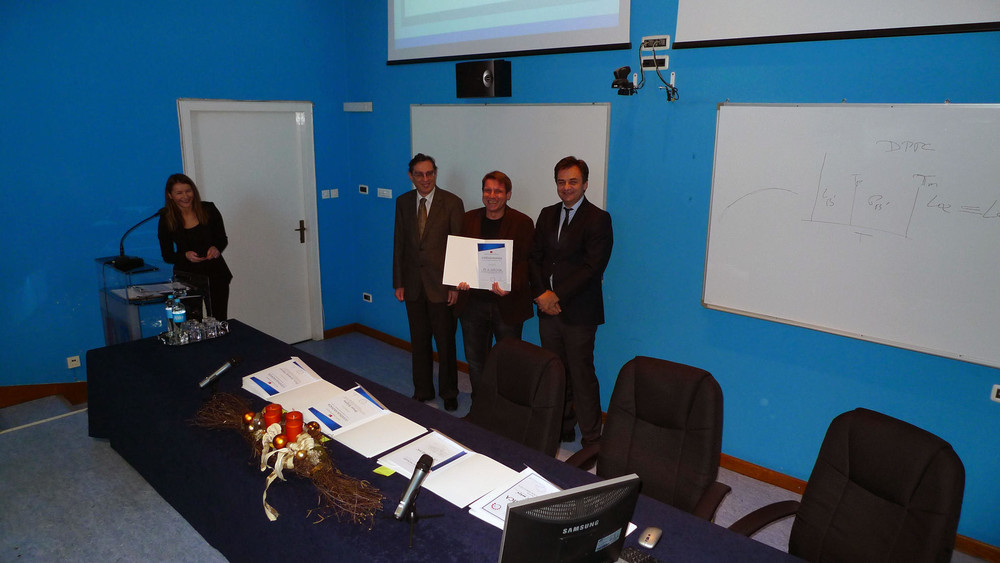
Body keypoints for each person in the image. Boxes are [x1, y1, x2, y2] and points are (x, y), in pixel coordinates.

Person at [529, 156, 613, 447]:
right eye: (561, 182)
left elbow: (592, 267)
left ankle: (592, 438)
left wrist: (556, 295)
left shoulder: (599, 219)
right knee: (555, 371)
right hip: (547, 309)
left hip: (579, 312)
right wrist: (541, 294)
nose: (566, 187)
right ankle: (562, 424)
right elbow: (534, 257)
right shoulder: (547, 214)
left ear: (585, 184)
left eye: (573, 182)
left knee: (581, 375)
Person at [393, 154, 465, 411]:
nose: (425, 179)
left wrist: (455, 285)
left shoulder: (452, 202)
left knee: (445, 344)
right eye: (419, 175)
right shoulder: (403, 202)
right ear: (411, 176)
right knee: (419, 342)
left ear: (435, 173)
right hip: (413, 285)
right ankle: (422, 389)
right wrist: (399, 282)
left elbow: (458, 246)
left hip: (442, 287)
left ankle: (449, 392)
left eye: (429, 173)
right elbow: (399, 243)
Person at [455, 171, 535, 402]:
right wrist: (459, 278)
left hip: (507, 305)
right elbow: (462, 258)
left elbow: (527, 262)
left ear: (508, 194)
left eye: (498, 191)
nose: (492, 196)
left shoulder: (523, 223)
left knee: (508, 361)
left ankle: (505, 410)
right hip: (472, 304)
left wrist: (511, 285)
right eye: (487, 190)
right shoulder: (468, 219)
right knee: (476, 362)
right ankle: (480, 408)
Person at [157, 173, 233, 320]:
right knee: (191, 322)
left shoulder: (209, 209)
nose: (185, 196)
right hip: (186, 277)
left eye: (188, 191)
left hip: (215, 274)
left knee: (218, 319)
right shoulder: (166, 218)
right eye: (179, 193)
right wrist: (185, 255)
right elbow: (167, 255)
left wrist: (216, 248)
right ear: (170, 195)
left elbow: (222, 239)